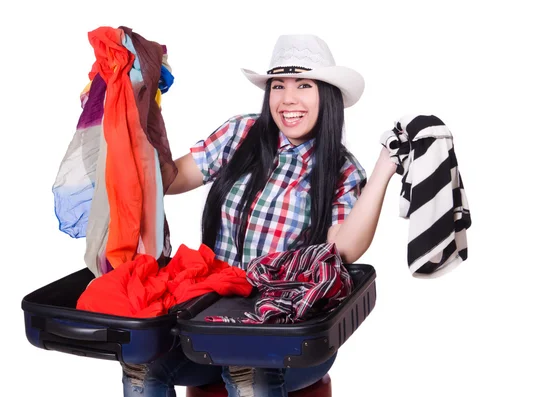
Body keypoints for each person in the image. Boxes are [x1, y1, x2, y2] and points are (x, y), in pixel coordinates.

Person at [122, 33, 397, 397]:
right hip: (212, 324)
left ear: (326, 95)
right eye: (278, 86)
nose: (288, 100)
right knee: (141, 364)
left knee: (247, 368)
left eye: (304, 85)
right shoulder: (241, 133)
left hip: (285, 334)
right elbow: (170, 179)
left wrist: (385, 166)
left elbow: (342, 248)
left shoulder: (342, 171)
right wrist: (136, 109)